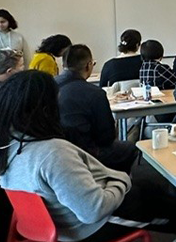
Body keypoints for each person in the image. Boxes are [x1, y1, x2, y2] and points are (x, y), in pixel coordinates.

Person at [0, 70, 174, 242]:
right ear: (46, 107)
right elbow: (93, 211)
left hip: (49, 222)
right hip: (82, 229)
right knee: (160, 202)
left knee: (151, 190)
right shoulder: (52, 153)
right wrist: (121, 180)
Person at [55, 44, 137, 172]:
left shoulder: (49, 86)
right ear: (88, 65)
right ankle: (117, 182)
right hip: (86, 152)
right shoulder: (94, 93)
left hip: (55, 151)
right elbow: (107, 136)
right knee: (128, 148)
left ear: (63, 65)